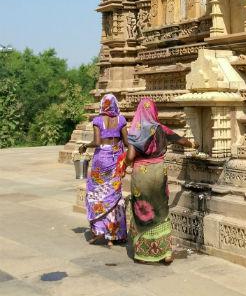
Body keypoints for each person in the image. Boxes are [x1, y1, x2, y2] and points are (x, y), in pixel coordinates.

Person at [120, 97, 197, 264]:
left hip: (141, 173)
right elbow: (182, 140)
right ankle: (166, 252)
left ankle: (144, 253)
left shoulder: (136, 131)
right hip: (158, 172)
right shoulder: (161, 128)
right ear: (154, 111)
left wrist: (124, 164)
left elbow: (131, 156)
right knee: (161, 208)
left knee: (143, 210)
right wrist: (194, 145)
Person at [79, 93, 129, 247]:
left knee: (96, 194)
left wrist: (85, 146)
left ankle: (99, 230)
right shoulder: (121, 120)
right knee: (114, 195)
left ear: (103, 105)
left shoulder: (98, 120)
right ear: (114, 105)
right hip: (116, 161)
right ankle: (113, 235)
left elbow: (97, 142)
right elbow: (127, 142)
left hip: (101, 160)